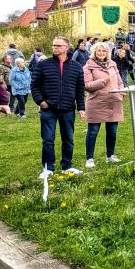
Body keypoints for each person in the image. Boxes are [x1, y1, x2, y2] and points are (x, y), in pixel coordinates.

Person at [30, 36, 85, 174]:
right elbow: (34, 85)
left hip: (68, 109)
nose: (55, 48)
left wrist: (81, 108)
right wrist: (40, 101)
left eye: (58, 46)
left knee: (68, 139)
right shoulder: (43, 65)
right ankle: (48, 168)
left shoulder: (77, 67)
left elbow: (80, 89)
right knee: (48, 140)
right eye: (54, 45)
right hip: (48, 109)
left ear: (67, 47)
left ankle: (66, 166)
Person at [82, 42, 124, 167]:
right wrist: (104, 80)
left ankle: (110, 156)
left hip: (114, 102)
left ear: (107, 52)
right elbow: (88, 86)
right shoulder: (88, 66)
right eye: (99, 50)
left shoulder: (113, 65)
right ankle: (90, 159)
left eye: (104, 51)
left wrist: (120, 93)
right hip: (96, 103)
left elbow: (120, 81)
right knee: (93, 131)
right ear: (94, 52)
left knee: (112, 131)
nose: (101, 53)